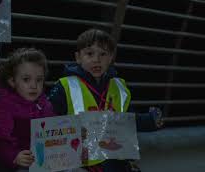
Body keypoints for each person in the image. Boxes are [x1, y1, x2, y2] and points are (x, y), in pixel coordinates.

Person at [48, 28, 162, 172]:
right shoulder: (64, 86)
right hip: (82, 165)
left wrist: (150, 121)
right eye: (89, 54)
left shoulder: (119, 87)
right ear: (78, 57)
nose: (96, 59)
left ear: (111, 58)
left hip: (116, 163)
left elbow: (128, 120)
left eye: (103, 54)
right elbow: (49, 124)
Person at [0, 48, 55, 171]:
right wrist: (14, 156)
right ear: (12, 81)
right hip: (14, 165)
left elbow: (55, 134)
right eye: (26, 79)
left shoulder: (46, 105)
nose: (34, 86)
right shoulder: (4, 106)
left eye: (39, 80)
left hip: (43, 164)